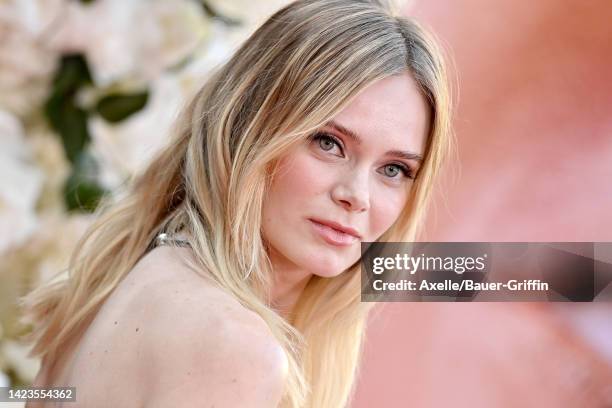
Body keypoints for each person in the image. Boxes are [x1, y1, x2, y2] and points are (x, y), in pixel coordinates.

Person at [20, 0, 452, 406]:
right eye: (328, 143)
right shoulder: (233, 345)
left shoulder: (135, 271)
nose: (357, 196)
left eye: (394, 170)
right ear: (248, 127)